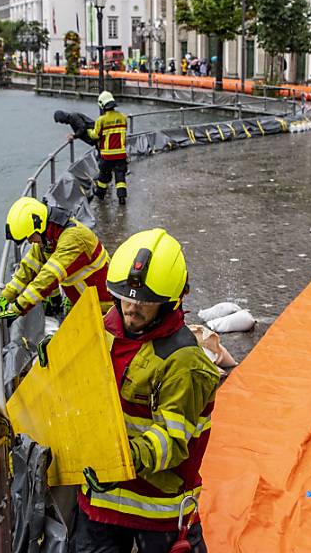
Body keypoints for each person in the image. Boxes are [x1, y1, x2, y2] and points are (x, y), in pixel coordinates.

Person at [73, 228, 219, 553]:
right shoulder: (106, 328)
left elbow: (172, 438)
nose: (131, 309)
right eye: (125, 297)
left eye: (146, 303)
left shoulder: (184, 362)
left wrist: (121, 462)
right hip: (101, 500)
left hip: (158, 509)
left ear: (171, 303)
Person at [0, 197, 113, 323]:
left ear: (39, 226)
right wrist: (5, 297)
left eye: (30, 237)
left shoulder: (73, 240)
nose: (30, 242)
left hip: (105, 309)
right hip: (85, 303)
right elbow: (26, 270)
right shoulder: (49, 239)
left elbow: (47, 278)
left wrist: (17, 308)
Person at [76, 91, 129, 204]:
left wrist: (88, 131)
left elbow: (95, 135)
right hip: (121, 154)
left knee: (104, 176)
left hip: (107, 155)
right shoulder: (123, 117)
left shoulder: (101, 120)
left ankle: (100, 194)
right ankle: (122, 197)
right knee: (120, 176)